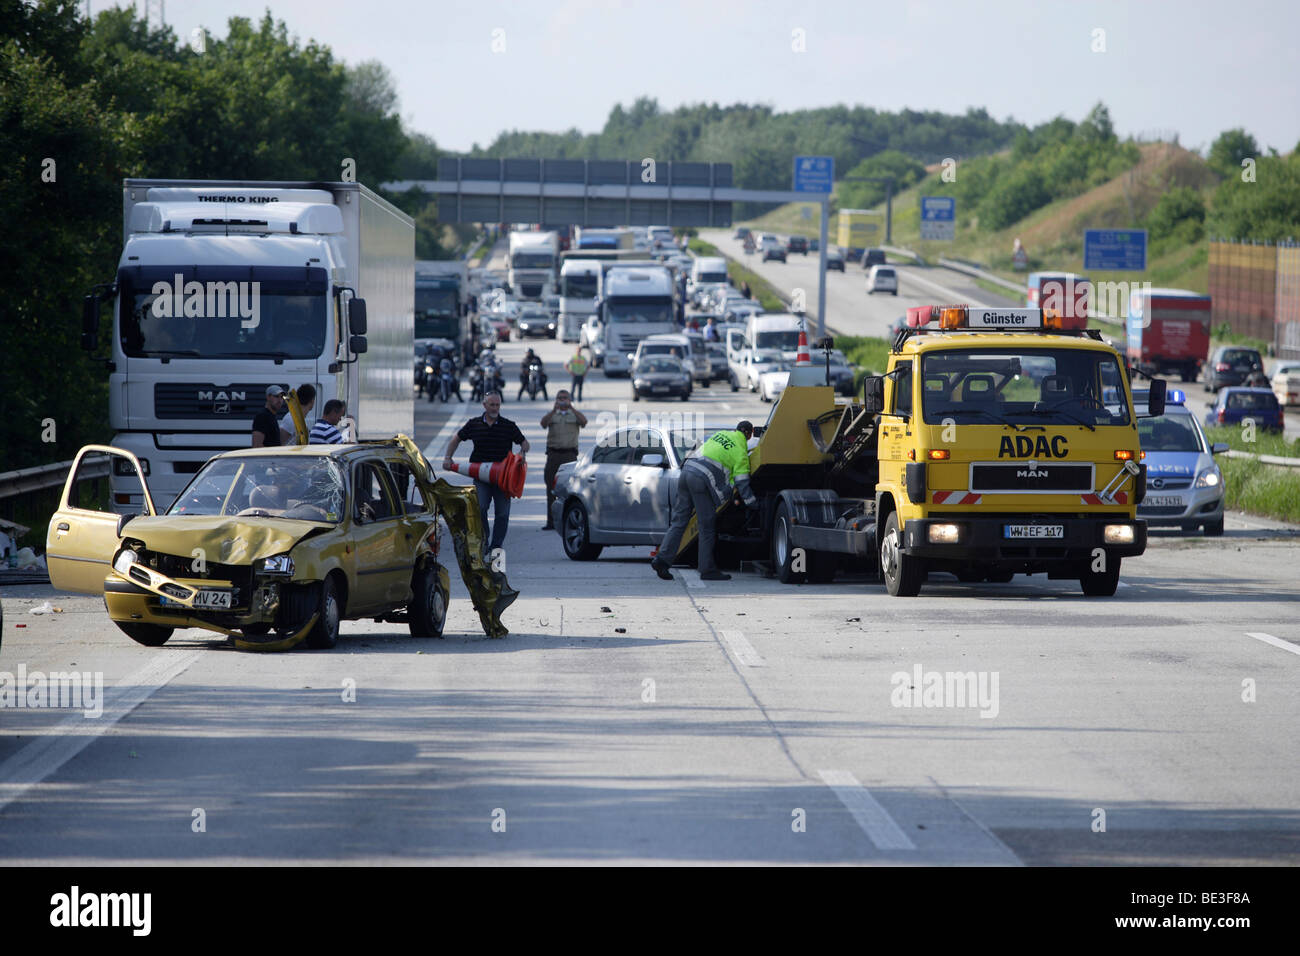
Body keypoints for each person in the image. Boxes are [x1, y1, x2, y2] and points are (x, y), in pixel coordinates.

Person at [652, 421, 758, 582]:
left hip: (687, 472)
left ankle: (662, 560)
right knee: (706, 526)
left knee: (679, 521)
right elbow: (742, 481)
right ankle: (707, 569)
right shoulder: (741, 451)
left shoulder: (721, 434)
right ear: (749, 434)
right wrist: (753, 504)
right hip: (700, 482)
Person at [443, 392, 529, 554]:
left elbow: (525, 443)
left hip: (504, 478)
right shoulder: (473, 424)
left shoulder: (508, 426)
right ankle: (484, 540)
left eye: (497, 405)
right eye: (492, 405)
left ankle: (496, 546)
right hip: (481, 476)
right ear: (484, 405)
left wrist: (522, 455)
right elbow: (456, 439)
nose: (495, 408)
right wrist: (448, 458)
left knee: (502, 513)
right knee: (481, 508)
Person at [539, 390, 586, 530]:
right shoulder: (553, 415)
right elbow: (543, 423)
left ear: (570, 399)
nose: (562, 400)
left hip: (570, 456)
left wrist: (571, 408)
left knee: (570, 490)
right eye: (560, 398)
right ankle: (551, 522)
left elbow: (584, 422)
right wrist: (554, 410)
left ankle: (569, 522)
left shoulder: (574, 414)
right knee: (551, 489)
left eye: (565, 398)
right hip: (553, 456)